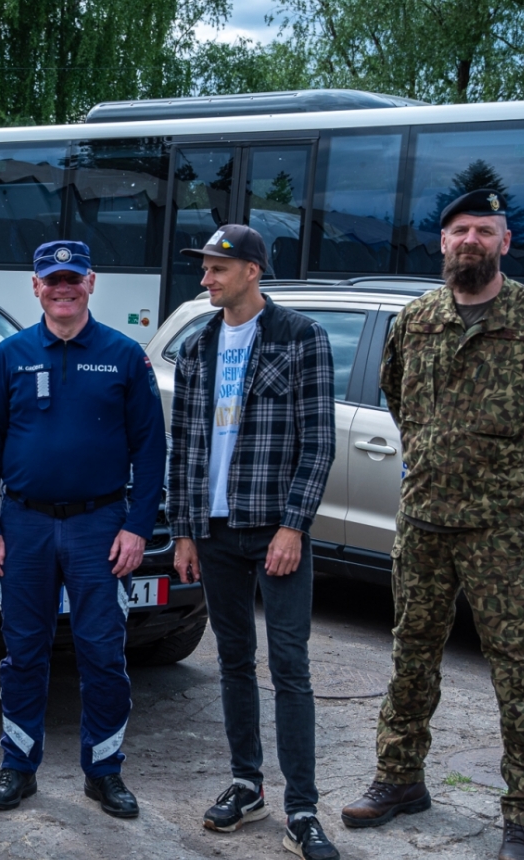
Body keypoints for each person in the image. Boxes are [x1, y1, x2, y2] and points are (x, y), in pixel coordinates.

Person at [340, 189, 524, 860]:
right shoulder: (417, 319)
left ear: (504, 242)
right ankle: (399, 780)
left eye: (484, 229)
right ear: (443, 242)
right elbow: (397, 397)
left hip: (502, 530)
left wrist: (517, 472)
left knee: (519, 672)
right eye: (459, 230)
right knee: (411, 657)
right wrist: (435, 457)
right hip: (423, 521)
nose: (470, 240)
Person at [0, 240, 166, 819]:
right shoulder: (10, 354)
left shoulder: (125, 355)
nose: (62, 288)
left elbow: (151, 451)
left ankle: (104, 771)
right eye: (51, 280)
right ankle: (18, 765)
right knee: (22, 652)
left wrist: (137, 527)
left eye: (72, 279)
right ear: (35, 287)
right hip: (24, 524)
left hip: (99, 527)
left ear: (91, 283)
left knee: (102, 653)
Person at [169, 224, 340, 860]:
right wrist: (184, 530)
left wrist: (294, 525)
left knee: (289, 667)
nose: (206, 278)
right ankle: (247, 784)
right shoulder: (197, 347)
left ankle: (302, 807)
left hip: (275, 530)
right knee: (233, 661)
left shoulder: (301, 338)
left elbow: (319, 442)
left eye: (218, 267)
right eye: (205, 267)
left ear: (252, 271)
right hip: (214, 533)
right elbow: (184, 446)